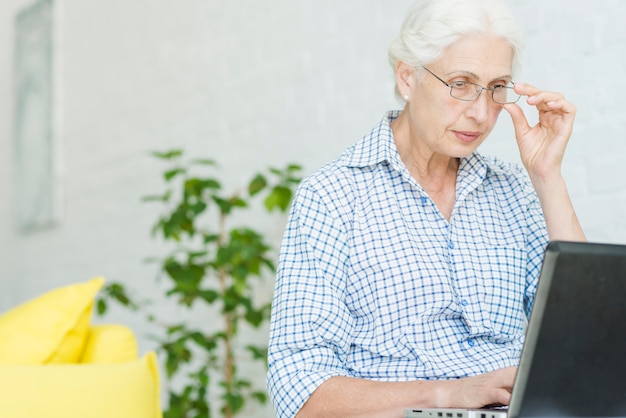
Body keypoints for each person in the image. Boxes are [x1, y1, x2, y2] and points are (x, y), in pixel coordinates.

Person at [266, 0, 586, 417]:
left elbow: (585, 335)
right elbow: (300, 390)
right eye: (461, 83)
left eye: (496, 88)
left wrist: (547, 175)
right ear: (407, 77)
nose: (480, 112)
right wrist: (448, 394)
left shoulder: (513, 190)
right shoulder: (332, 196)